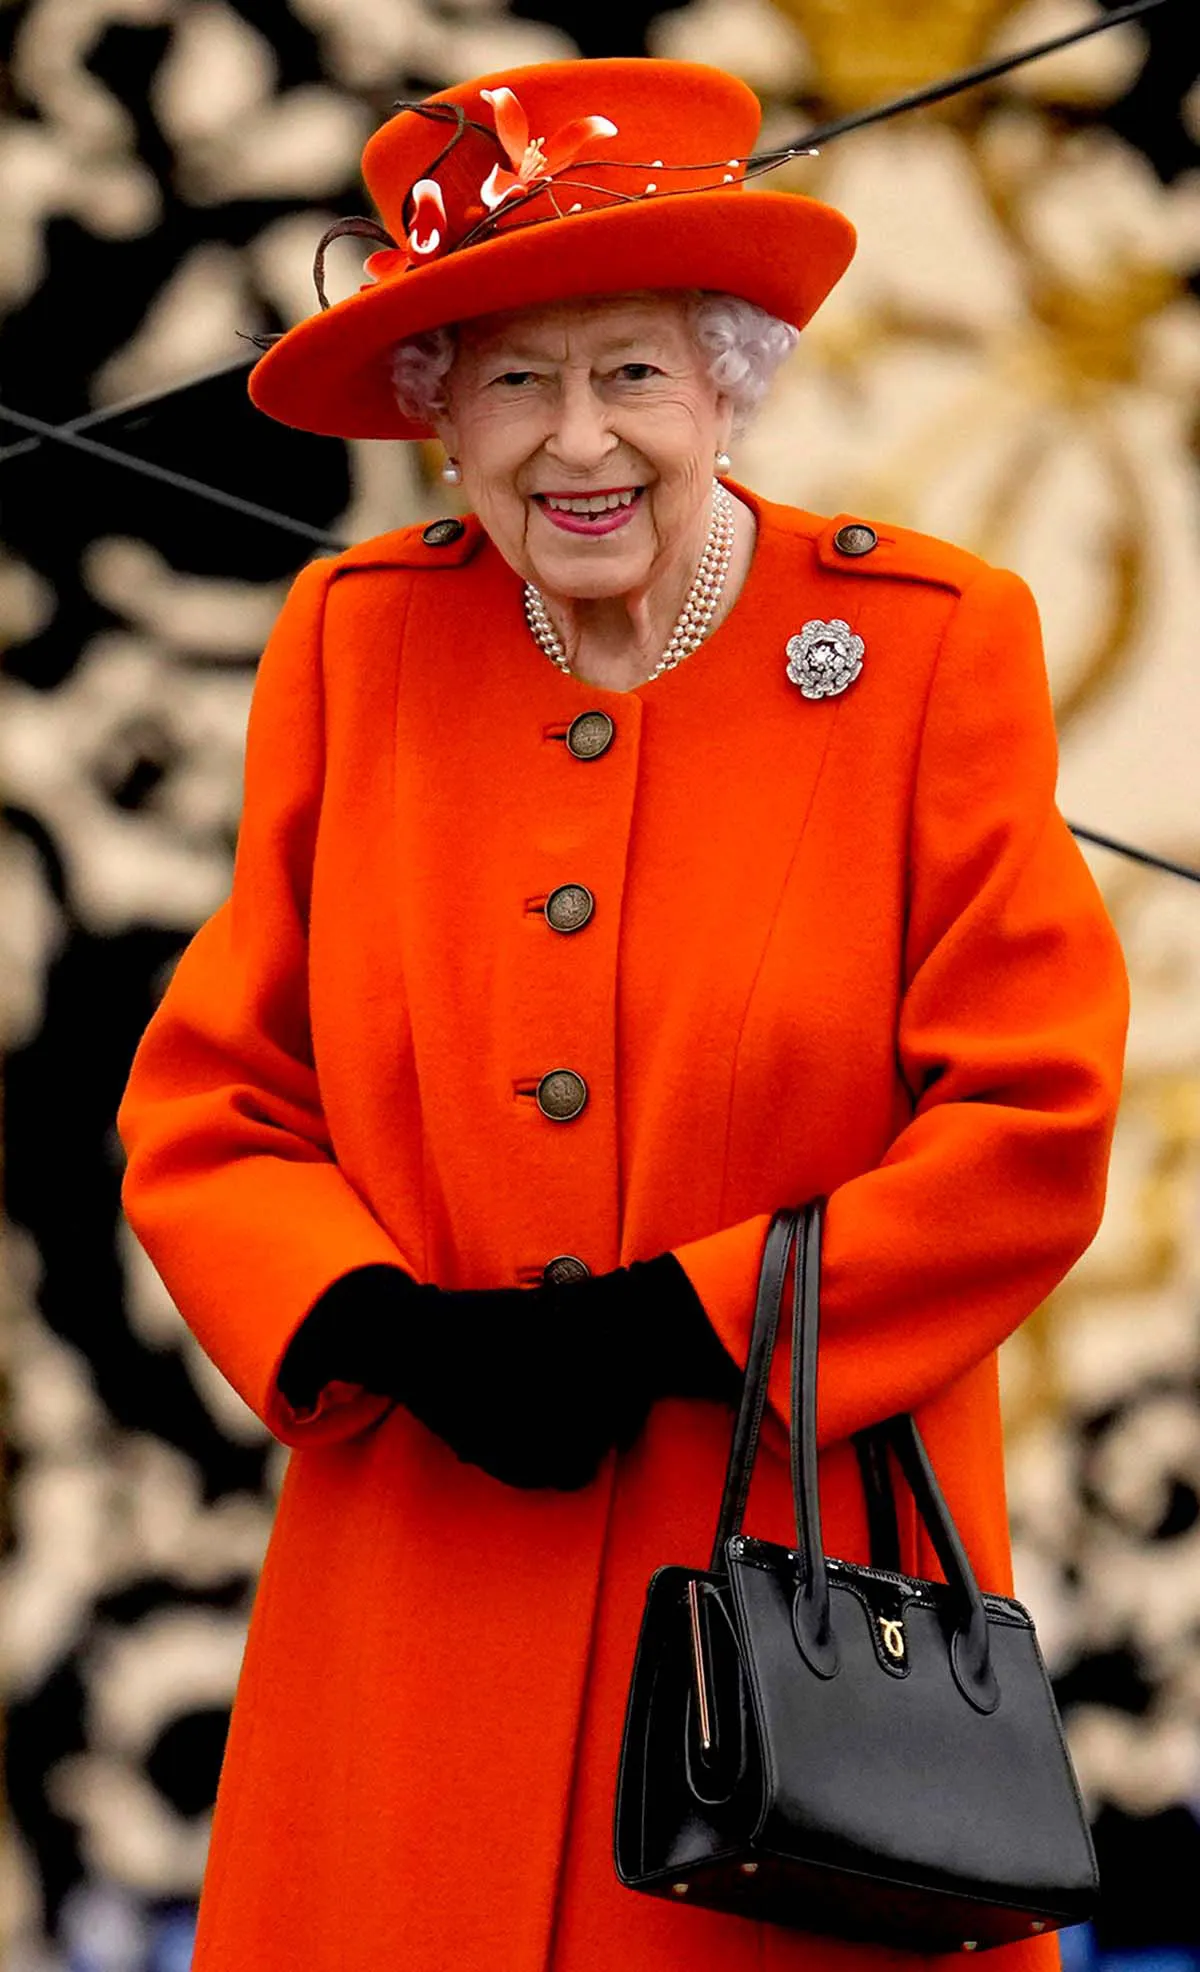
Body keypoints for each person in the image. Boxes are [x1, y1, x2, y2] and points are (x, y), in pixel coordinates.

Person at [117, 56, 1128, 1972]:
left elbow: (1034, 1118)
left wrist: (686, 1319)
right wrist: (368, 1320)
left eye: (633, 372)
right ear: (441, 421)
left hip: (787, 1611)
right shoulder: (356, 648)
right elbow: (214, 1099)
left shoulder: (925, 645)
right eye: (514, 378)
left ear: (723, 384)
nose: (579, 441)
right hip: (415, 1572)